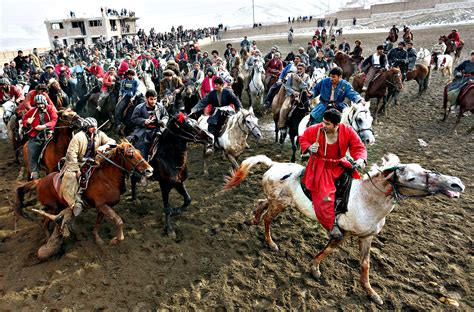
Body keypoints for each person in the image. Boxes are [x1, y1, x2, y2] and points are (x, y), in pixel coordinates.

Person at [299, 108, 367, 240]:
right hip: (321, 167)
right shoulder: (316, 129)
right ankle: (331, 225)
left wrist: (360, 159)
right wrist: (308, 147)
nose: (323, 125)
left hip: (339, 165)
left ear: (337, 125)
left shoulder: (347, 131)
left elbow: (358, 147)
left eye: (327, 124)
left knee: (355, 186)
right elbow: (304, 137)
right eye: (323, 122)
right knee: (324, 196)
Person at [60, 117, 116, 221]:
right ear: (86, 127)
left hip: (95, 161)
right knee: (70, 177)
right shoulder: (78, 137)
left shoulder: (99, 134)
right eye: (91, 127)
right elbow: (71, 154)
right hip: (79, 162)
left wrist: (105, 146)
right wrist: (76, 169)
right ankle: (74, 203)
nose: (94, 128)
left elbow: (111, 141)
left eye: (95, 126)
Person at [22, 95, 58, 180]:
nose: (40, 106)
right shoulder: (33, 111)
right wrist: (27, 122)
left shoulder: (51, 109)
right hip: (37, 134)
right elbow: (24, 118)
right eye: (38, 104)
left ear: (45, 102)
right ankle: (34, 171)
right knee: (32, 149)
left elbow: (54, 120)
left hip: (50, 132)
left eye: (41, 104)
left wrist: (44, 126)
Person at [130, 89, 168, 160]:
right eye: (151, 99)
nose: (153, 101)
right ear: (146, 98)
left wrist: (163, 121)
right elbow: (133, 119)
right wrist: (144, 121)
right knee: (141, 151)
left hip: (158, 130)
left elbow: (166, 115)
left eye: (155, 99)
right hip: (144, 132)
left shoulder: (160, 107)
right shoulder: (139, 108)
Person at [278, 63, 311, 133]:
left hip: (303, 95)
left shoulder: (307, 77)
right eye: (298, 69)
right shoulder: (292, 75)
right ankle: (282, 126)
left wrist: (299, 80)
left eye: (300, 69)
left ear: (304, 69)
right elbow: (287, 86)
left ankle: (309, 125)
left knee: (309, 108)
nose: (299, 70)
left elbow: (306, 87)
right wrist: (293, 92)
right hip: (292, 95)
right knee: (284, 108)